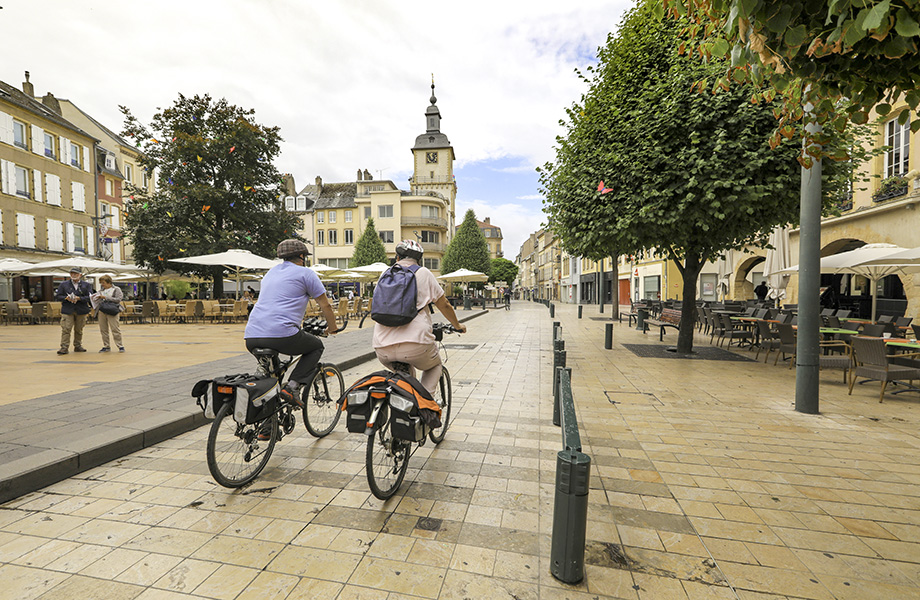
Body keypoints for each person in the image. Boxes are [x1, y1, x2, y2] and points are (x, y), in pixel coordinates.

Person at [245, 239, 338, 406]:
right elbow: (325, 305)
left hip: (251, 335)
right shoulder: (306, 273)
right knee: (316, 346)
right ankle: (293, 387)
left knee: (272, 379)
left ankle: (267, 429)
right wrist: (333, 328)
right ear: (301, 256)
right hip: (281, 334)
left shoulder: (270, 273)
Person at [373, 239, 467, 395]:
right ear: (419, 259)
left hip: (382, 346)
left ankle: (405, 401)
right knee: (434, 366)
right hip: (416, 344)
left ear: (397, 258)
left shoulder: (385, 274)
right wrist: (458, 326)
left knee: (406, 376)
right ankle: (425, 405)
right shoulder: (423, 273)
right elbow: (444, 305)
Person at [54, 267, 93, 354]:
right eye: (72, 273)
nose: (73, 275)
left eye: (75, 274)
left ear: (80, 275)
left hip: (81, 310)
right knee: (66, 329)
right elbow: (58, 296)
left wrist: (80, 298)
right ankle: (64, 347)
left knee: (79, 329)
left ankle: (78, 345)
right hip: (68, 309)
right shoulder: (64, 284)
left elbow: (90, 297)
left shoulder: (86, 285)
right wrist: (66, 298)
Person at [92, 275, 125, 352]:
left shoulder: (116, 289)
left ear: (109, 282)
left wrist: (105, 297)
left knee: (115, 328)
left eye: (103, 283)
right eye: (101, 283)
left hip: (112, 310)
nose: (102, 284)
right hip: (102, 310)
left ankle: (120, 345)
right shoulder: (100, 291)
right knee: (103, 329)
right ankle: (106, 345)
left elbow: (118, 299)